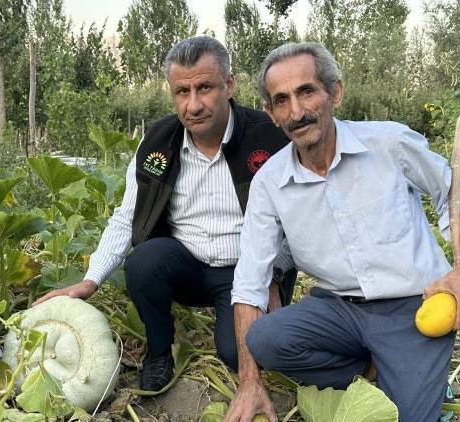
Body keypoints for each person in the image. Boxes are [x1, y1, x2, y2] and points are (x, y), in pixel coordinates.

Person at [225, 42, 460, 422]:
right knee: (265, 339)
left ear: (335, 92)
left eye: (306, 92)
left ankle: (408, 371)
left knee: (407, 418)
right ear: (271, 113)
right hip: (337, 310)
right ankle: (373, 369)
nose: (297, 112)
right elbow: (250, 279)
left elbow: (457, 193)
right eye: (281, 100)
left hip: (414, 307)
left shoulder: (389, 143)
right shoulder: (270, 181)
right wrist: (249, 381)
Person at [35, 36, 295, 391]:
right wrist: (91, 279)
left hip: (245, 271)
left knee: (239, 355)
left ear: (229, 85)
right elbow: (126, 217)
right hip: (183, 264)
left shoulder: (270, 138)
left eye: (205, 88)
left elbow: (301, 219)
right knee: (144, 261)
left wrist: (274, 273)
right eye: (182, 92)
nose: (193, 105)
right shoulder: (157, 141)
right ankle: (159, 352)